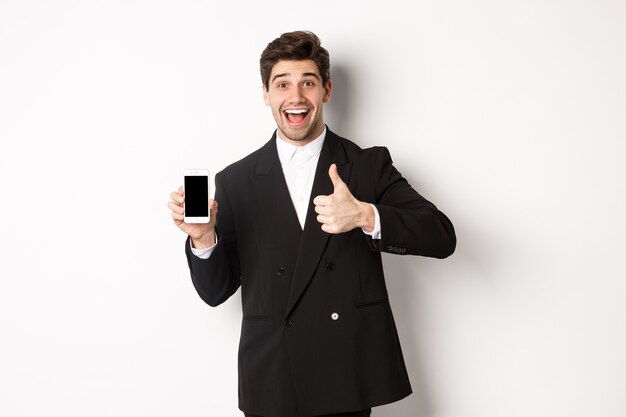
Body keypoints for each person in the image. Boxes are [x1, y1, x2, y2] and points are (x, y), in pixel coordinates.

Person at [168, 30, 456, 417]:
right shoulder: (236, 180)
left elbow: (441, 235)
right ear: (266, 94)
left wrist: (366, 215)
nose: (296, 97)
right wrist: (204, 238)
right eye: (282, 84)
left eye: (308, 82)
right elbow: (216, 291)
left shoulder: (368, 166)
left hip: (345, 375)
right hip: (271, 378)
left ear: (327, 90)